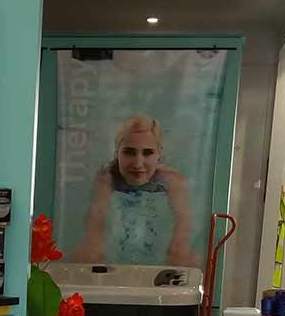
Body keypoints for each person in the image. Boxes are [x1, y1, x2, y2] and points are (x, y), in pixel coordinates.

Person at [74, 115, 196, 268]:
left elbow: (184, 227)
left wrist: (178, 251)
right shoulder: (108, 178)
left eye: (148, 153)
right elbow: (95, 226)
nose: (138, 164)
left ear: (159, 154)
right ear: (117, 152)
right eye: (129, 152)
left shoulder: (172, 181)